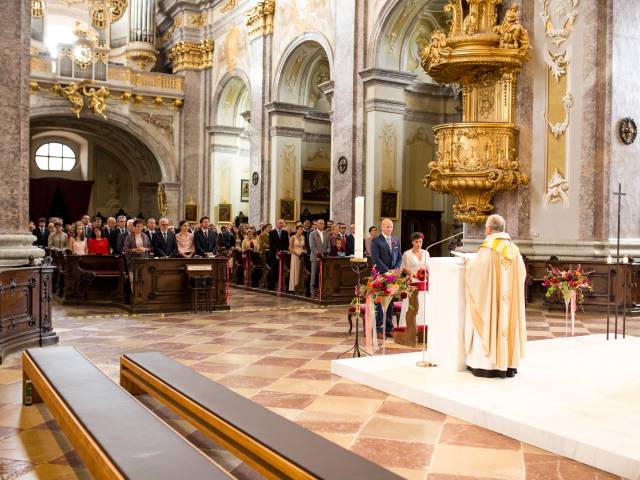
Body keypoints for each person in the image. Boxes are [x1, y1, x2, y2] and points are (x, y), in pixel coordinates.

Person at [464, 214, 526, 378]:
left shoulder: (488, 247)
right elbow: (522, 274)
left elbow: (478, 271)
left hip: (493, 302)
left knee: (490, 318)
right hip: (509, 301)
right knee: (507, 321)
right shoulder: (514, 248)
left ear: (489, 229)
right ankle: (508, 365)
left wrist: (469, 265)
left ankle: (487, 366)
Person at [370, 218, 402, 339]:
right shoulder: (376, 241)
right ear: (382, 227)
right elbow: (376, 259)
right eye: (387, 227)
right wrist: (387, 271)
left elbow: (399, 257)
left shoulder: (396, 240)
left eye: (391, 227)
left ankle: (389, 328)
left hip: (392, 276)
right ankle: (378, 328)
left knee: (390, 302)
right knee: (379, 302)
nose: (389, 229)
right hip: (380, 275)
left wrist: (395, 269)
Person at [398, 232, 430, 328]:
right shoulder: (407, 254)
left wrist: (427, 275)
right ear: (412, 242)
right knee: (412, 305)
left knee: (424, 305)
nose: (419, 244)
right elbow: (403, 268)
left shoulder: (426, 253)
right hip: (413, 282)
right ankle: (409, 327)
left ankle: (423, 327)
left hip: (424, 282)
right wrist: (413, 274)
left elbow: (428, 267)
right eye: (416, 242)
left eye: (420, 242)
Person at [123, 219, 152, 287]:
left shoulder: (145, 236)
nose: (139, 228)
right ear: (134, 227)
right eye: (138, 226)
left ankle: (142, 296)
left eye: (141, 226)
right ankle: (134, 296)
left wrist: (145, 249)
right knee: (133, 281)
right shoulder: (129, 237)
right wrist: (136, 250)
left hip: (144, 260)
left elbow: (150, 248)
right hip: (133, 261)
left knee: (144, 280)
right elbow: (125, 249)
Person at [309, 219, 330, 298]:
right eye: (320, 223)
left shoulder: (326, 234)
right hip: (315, 258)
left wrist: (326, 252)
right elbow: (312, 246)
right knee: (313, 275)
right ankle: (312, 292)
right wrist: (318, 254)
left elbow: (328, 246)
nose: (322, 225)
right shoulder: (312, 234)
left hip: (324, 258)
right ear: (317, 225)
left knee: (323, 275)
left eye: (323, 223)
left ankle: (321, 291)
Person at [268, 219, 289, 289]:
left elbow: (286, 243)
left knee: (282, 270)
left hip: (282, 254)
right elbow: (271, 243)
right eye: (280, 223)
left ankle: (281, 285)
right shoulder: (271, 233)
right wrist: (277, 250)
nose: (281, 224)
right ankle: (272, 285)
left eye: (282, 223)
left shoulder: (285, 233)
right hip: (274, 254)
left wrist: (283, 250)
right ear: (276, 224)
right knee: (274, 270)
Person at [289, 225, 307, 292]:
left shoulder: (303, 237)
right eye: (300, 229)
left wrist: (305, 251)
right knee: (295, 271)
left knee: (301, 271)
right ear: (296, 230)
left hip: (301, 256)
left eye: (302, 229)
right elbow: (290, 248)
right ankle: (293, 287)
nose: (301, 231)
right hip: (295, 256)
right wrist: (297, 253)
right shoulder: (292, 237)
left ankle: (300, 287)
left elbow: (304, 247)